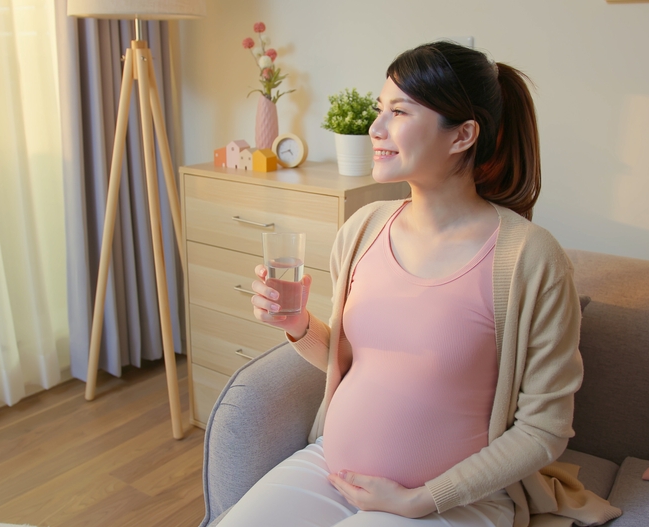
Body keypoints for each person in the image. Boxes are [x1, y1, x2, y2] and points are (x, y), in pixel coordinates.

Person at [219, 41, 621, 527]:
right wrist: (299, 324)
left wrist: (421, 500)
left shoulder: (530, 258)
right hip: (332, 468)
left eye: (399, 112)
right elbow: (349, 362)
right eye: (378, 109)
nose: (375, 128)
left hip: (453, 501)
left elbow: (544, 430)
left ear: (462, 135)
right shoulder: (363, 228)